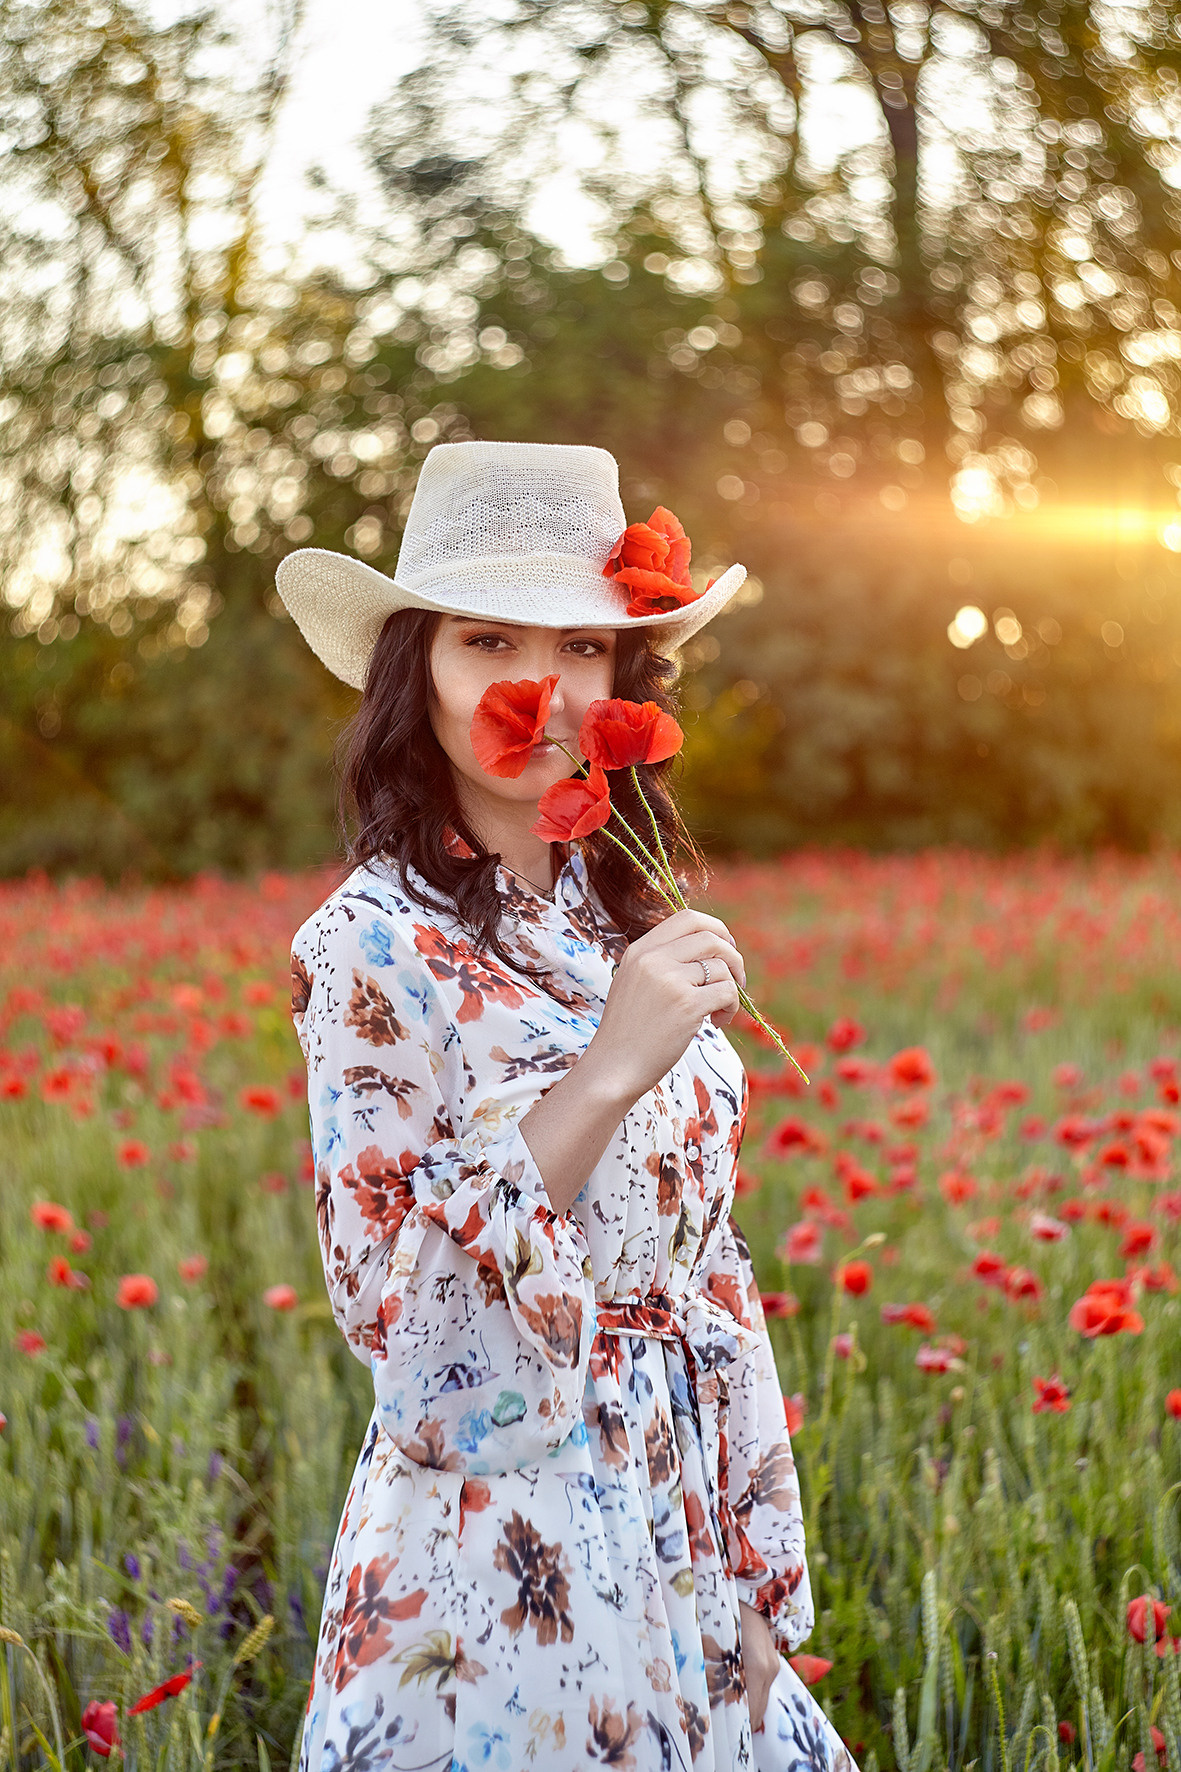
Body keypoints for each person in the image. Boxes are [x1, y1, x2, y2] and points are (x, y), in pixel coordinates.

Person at [277, 441, 856, 1772]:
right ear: (413, 669)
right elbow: (400, 1321)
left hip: (677, 1523)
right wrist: (605, 1070)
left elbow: (703, 1276)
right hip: (499, 1551)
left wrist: (743, 1576)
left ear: (623, 681)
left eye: (583, 648)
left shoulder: (618, 914)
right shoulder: (369, 945)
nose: (538, 692)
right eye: (487, 640)